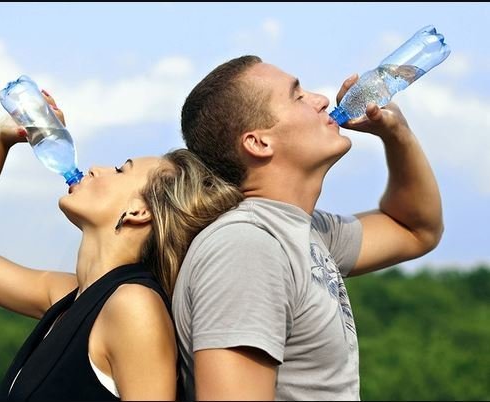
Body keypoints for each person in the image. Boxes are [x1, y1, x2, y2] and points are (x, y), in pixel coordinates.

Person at [0, 91, 243, 401]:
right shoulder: (69, 297)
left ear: (138, 211)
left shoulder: (134, 307)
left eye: (120, 170)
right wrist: (0, 139)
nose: (95, 168)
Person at [173, 55, 444, 400]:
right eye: (298, 96)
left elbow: (416, 230)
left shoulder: (304, 231)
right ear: (258, 143)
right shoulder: (246, 248)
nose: (322, 100)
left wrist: (396, 134)